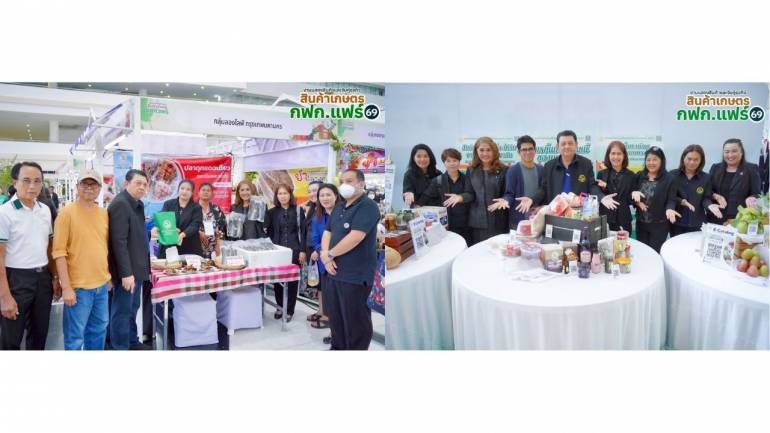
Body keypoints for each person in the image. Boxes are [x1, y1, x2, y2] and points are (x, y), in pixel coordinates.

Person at [0, 162, 59, 350]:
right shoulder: (5, 213)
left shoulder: (44, 210)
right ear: (15, 183)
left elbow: (49, 247)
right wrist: (5, 297)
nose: (32, 186)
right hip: (16, 279)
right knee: (11, 338)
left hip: (42, 279)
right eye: (26, 180)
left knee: (39, 335)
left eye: (37, 181)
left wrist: (55, 277)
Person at [321, 169, 380, 350]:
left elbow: (356, 237)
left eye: (349, 181)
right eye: (342, 182)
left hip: (355, 274)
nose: (344, 185)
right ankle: (337, 348)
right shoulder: (339, 206)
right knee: (335, 316)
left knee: (355, 320)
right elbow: (327, 232)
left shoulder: (368, 206)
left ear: (361, 184)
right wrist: (326, 256)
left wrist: (330, 254)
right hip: (334, 271)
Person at [52, 169, 111, 350]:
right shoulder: (66, 214)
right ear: (77, 187)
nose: (89, 187)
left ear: (99, 188)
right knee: (75, 338)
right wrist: (66, 287)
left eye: (93, 184)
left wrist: (108, 277)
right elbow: (58, 252)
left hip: (102, 285)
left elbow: (104, 247)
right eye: (85, 183)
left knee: (98, 331)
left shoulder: (103, 214)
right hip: (78, 288)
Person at [108, 169, 151, 350]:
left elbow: (135, 235)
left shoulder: (136, 204)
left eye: (144, 184)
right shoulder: (121, 204)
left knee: (133, 308)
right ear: (126, 184)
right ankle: (120, 347)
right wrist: (126, 273)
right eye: (137, 183)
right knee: (122, 311)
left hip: (137, 269)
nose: (142, 187)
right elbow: (118, 242)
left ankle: (132, 341)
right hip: (127, 272)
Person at [447, 137, 508, 245]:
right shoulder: (471, 170)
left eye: (488, 150)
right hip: (478, 221)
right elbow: (470, 193)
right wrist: (460, 197)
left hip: (498, 220)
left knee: (498, 250)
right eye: (481, 150)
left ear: (494, 151)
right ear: (476, 151)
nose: (485, 153)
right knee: (480, 250)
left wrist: (504, 199)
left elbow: (508, 193)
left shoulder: (504, 169)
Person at [265, 184, 307, 322]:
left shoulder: (298, 211)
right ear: (276, 196)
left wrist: (303, 250)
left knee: (292, 281)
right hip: (278, 251)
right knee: (278, 280)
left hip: (295, 250)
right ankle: (279, 307)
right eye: (280, 194)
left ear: (290, 195)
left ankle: (289, 310)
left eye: (285, 193)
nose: (283, 196)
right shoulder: (271, 212)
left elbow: (304, 232)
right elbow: (269, 233)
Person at [533, 130, 603, 207]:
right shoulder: (549, 166)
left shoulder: (586, 164)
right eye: (563, 144)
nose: (567, 146)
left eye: (570, 143)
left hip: (578, 211)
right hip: (555, 211)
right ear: (557, 147)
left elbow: (592, 186)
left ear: (576, 145)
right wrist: (532, 200)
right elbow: (543, 189)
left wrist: (601, 197)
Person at [631, 146, 681, 253]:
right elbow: (631, 194)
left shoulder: (670, 179)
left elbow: (672, 199)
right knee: (642, 252)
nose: (651, 163)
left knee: (654, 253)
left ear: (661, 161)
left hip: (659, 225)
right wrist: (636, 199)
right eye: (648, 160)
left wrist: (670, 208)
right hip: (641, 224)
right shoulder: (639, 176)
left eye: (655, 159)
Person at [307, 183, 341, 335]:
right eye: (322, 195)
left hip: (341, 261)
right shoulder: (317, 218)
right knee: (328, 296)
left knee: (340, 300)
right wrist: (324, 254)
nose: (325, 198)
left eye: (328, 195)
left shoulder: (343, 215)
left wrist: (330, 253)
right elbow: (315, 240)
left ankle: (337, 333)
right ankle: (334, 332)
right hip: (324, 263)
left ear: (336, 196)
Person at [422, 148, 472, 246]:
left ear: (459, 161)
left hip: (466, 225)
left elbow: (472, 195)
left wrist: (460, 197)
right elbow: (425, 198)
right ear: (444, 163)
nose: (452, 164)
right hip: (445, 226)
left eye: (454, 160)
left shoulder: (467, 179)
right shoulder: (437, 181)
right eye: (448, 161)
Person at [670, 145, 723, 236]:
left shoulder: (706, 178)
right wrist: (680, 201)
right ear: (683, 158)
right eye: (689, 159)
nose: (692, 162)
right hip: (676, 221)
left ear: (701, 161)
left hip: (697, 223)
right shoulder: (672, 175)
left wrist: (709, 205)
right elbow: (669, 197)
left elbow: (706, 198)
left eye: (696, 159)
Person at [708, 138, 761, 224]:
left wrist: (752, 198)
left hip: (740, 219)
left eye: (734, 151)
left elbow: (756, 193)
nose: (730, 155)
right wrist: (716, 196)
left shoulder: (751, 169)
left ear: (741, 152)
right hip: (716, 216)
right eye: (727, 152)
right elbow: (707, 190)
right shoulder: (715, 168)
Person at [502, 136, 544, 230]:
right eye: (524, 149)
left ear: (535, 150)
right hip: (518, 221)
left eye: (530, 149)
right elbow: (509, 194)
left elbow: (544, 192)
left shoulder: (541, 170)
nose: (528, 152)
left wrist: (541, 207)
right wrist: (505, 200)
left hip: (537, 219)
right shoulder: (513, 171)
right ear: (518, 152)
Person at [155, 180, 203, 259]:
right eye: (182, 188)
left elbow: (195, 225)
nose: (184, 191)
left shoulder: (196, 207)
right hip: (169, 245)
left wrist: (183, 234)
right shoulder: (168, 204)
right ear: (178, 190)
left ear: (192, 193)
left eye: (188, 189)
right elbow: (163, 219)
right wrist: (173, 229)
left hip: (189, 246)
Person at [596, 141, 636, 232]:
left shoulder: (631, 175)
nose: (616, 157)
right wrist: (605, 188)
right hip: (605, 219)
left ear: (624, 156)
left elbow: (630, 200)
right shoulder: (601, 174)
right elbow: (598, 196)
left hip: (624, 220)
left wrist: (634, 194)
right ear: (608, 155)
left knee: (624, 242)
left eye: (619, 154)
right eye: (613, 153)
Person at [402, 143, 442, 208]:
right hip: (418, 210)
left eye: (425, 156)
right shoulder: (409, 175)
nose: (422, 159)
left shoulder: (438, 174)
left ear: (430, 157)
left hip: (437, 210)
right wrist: (407, 195)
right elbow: (407, 192)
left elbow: (443, 193)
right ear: (413, 158)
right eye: (418, 156)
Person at [198, 182, 226, 259]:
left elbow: (222, 227)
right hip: (196, 248)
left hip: (213, 250)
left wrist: (218, 243)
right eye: (203, 190)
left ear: (212, 194)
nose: (206, 192)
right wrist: (199, 233)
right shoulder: (192, 208)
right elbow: (187, 226)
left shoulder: (216, 208)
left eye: (208, 190)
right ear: (198, 193)